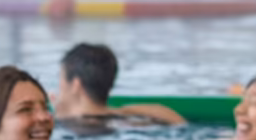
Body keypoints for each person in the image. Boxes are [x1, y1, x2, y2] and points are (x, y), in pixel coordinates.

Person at [53, 43, 185, 125]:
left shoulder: (62, 124)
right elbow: (177, 120)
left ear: (76, 85)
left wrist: (58, 114)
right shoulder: (127, 121)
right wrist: (114, 111)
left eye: (61, 80)